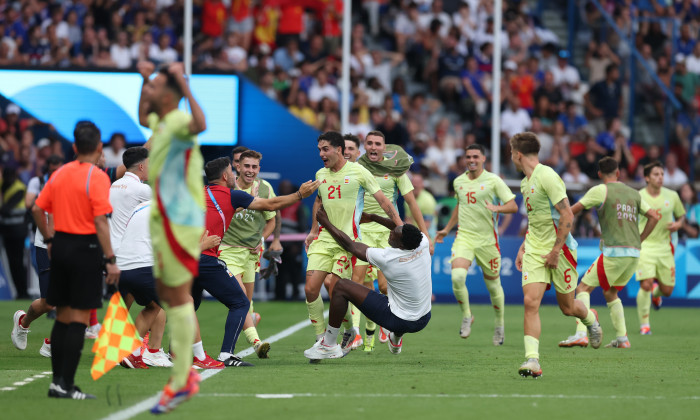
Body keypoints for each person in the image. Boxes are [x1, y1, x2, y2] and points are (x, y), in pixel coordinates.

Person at [29, 120, 120, 399]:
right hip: (85, 248)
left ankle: (58, 382)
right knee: (80, 318)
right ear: (99, 147)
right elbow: (100, 222)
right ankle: (65, 384)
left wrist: (49, 239)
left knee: (63, 316)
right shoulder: (98, 176)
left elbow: (36, 208)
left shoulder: (59, 173)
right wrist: (110, 259)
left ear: (74, 147)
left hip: (61, 247)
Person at [199, 157, 318, 367]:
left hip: (188, 257)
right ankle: (228, 354)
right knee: (241, 302)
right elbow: (272, 204)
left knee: (185, 304)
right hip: (210, 257)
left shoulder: (199, 193)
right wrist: (300, 194)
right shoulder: (233, 195)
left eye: (255, 166)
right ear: (228, 175)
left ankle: (165, 351)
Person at [137, 60, 208, 414]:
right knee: (166, 293)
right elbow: (140, 115)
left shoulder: (179, 120)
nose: (149, 90)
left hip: (181, 217)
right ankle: (184, 375)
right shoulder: (160, 121)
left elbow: (201, 124)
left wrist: (182, 81)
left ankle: (183, 379)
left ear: (169, 95)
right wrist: (143, 78)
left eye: (154, 86)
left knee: (176, 293)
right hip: (164, 216)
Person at [510, 132, 602, 378]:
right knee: (530, 302)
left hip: (560, 251)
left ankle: (590, 319)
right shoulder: (524, 183)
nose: (511, 158)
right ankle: (532, 360)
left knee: (568, 307)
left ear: (518, 154)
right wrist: (523, 247)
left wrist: (555, 251)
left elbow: (567, 215)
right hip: (535, 250)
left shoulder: (548, 176)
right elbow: (536, 220)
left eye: (511, 153)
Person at [304, 131, 403, 346]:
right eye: (319, 149)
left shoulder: (359, 172)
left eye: (325, 149)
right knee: (311, 289)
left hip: (347, 243)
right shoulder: (320, 174)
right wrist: (313, 231)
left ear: (338, 150)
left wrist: (399, 226)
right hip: (323, 239)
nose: (321, 153)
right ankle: (321, 337)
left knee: (335, 290)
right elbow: (318, 203)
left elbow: (384, 201)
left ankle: (348, 330)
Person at [304, 206, 431, 359]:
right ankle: (395, 339)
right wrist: (372, 217)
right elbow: (398, 227)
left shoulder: (389, 258)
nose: (390, 233)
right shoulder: (422, 242)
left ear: (402, 246)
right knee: (402, 302)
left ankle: (329, 344)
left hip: (398, 320)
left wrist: (326, 223)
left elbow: (350, 246)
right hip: (424, 317)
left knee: (341, 286)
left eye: (393, 236)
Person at [559, 157, 659, 349]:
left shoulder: (600, 190)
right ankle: (622, 339)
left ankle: (581, 333)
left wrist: (557, 220)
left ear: (599, 174)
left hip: (615, 251)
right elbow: (654, 216)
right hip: (634, 253)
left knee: (582, 289)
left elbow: (574, 210)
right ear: (618, 173)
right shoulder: (634, 193)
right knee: (611, 292)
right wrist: (640, 238)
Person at [351, 131, 432, 351]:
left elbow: (412, 203)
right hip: (362, 229)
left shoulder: (395, 169)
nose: (374, 147)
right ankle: (355, 334)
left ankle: (390, 327)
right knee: (357, 280)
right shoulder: (357, 168)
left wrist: (426, 235)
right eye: (370, 143)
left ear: (385, 147)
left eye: (378, 143)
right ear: (365, 147)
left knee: (385, 286)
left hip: (390, 234)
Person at [435, 144, 517, 345]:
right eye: (468, 156)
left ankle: (499, 325)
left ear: (483, 159)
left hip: (487, 241)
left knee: (493, 286)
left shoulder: (493, 180)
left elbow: (513, 206)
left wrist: (496, 207)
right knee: (457, 276)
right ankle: (466, 315)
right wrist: (447, 229)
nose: (471, 160)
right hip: (465, 237)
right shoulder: (459, 182)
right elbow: (460, 207)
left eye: (475, 156)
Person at [218, 150, 282, 359]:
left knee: (245, 300)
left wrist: (262, 239)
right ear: (238, 166)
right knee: (240, 299)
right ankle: (255, 343)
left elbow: (272, 218)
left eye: (254, 167)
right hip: (227, 250)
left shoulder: (264, 188)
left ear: (259, 169)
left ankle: (244, 330)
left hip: (251, 254)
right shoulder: (226, 187)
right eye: (247, 166)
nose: (250, 170)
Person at [12, 155, 63, 358]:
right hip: (47, 245)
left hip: (69, 245)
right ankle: (23, 322)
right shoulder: (54, 186)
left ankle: (52, 343)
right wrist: (51, 241)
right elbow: (38, 210)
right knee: (50, 301)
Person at [116, 200, 172, 369]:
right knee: (157, 305)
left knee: (150, 305)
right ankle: (145, 352)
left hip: (121, 264)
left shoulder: (140, 206)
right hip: (141, 264)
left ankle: (130, 352)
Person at [636, 161, 685, 335]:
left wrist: (678, 224)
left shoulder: (672, 195)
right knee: (646, 284)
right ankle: (644, 325)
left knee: (667, 290)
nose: (660, 177)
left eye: (662, 174)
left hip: (665, 246)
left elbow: (681, 216)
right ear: (647, 178)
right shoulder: (638, 196)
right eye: (656, 174)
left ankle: (657, 295)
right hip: (645, 245)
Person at [109, 146, 151, 255]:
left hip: (112, 247)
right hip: (129, 251)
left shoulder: (114, 184)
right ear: (141, 167)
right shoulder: (142, 189)